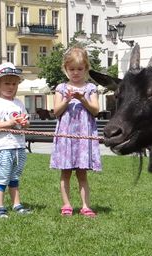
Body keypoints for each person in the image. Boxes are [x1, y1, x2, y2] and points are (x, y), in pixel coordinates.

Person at [50, 46, 101, 217]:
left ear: (86, 69)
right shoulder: (61, 88)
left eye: (80, 69)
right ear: (66, 69)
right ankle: (67, 205)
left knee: (82, 173)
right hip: (66, 137)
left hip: (83, 138)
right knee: (65, 173)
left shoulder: (90, 88)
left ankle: (86, 206)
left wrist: (83, 99)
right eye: (72, 69)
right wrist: (67, 99)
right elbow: (56, 111)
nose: (76, 73)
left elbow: (95, 110)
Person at [0, 62, 32, 219]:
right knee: (2, 177)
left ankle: (16, 204)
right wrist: (10, 123)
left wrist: (25, 124)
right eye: (7, 83)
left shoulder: (19, 103)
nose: (10, 86)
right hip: (4, 148)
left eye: (14, 83)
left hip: (19, 147)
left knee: (15, 178)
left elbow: (25, 124)